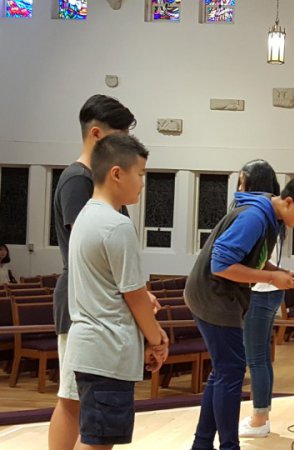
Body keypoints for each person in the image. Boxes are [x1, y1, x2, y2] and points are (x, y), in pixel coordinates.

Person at [184, 174, 294, 450]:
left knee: (223, 371)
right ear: (288, 202)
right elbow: (221, 265)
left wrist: (281, 272)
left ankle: (202, 444)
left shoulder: (270, 217)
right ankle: (228, 446)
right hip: (212, 297)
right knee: (231, 372)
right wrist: (272, 278)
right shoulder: (254, 217)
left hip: (218, 297)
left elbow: (253, 259)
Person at [61, 134, 169, 448]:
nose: (142, 183)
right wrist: (156, 339)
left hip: (90, 349)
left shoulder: (86, 216)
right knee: (97, 442)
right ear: (117, 173)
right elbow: (134, 295)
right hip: (107, 351)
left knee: (94, 438)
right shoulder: (115, 224)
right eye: (140, 174)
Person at [49, 94, 137, 450]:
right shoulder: (77, 180)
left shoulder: (98, 180)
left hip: (96, 302)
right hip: (83, 302)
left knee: (76, 398)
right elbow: (88, 250)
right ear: (97, 134)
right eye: (121, 137)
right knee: (71, 399)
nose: (126, 145)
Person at [234, 160, 294, 438]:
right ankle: (262, 414)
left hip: (260, 291)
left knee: (256, 357)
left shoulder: (257, 214)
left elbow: (251, 261)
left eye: (241, 181)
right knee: (261, 357)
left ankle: (259, 419)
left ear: (250, 182)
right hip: (270, 290)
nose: (238, 187)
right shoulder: (272, 214)